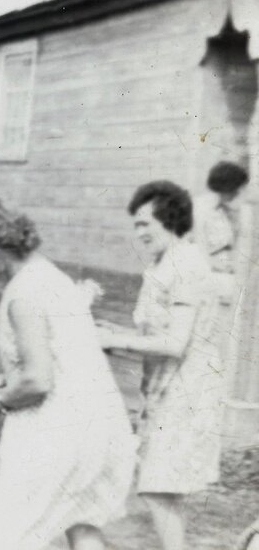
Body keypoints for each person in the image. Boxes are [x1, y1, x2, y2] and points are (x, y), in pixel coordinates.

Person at [0, 197, 136, 550]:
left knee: (8, 534)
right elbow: (59, 357)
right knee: (82, 526)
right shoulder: (54, 277)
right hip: (100, 426)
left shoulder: (23, 292)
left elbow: (39, 380)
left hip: (58, 430)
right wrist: (6, 379)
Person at [95, 181, 221, 550]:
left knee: (156, 488)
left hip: (188, 389)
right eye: (136, 225)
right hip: (165, 388)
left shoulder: (187, 264)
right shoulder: (162, 264)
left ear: (170, 220)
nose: (139, 233)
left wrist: (114, 341)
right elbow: (153, 330)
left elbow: (175, 343)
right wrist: (114, 330)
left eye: (145, 224)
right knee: (163, 490)